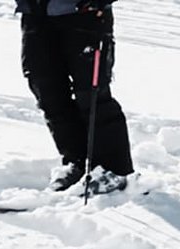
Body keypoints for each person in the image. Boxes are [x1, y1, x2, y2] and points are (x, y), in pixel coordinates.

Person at [16, 0, 134, 194]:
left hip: (85, 12)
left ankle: (115, 171)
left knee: (92, 94)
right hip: (35, 13)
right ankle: (76, 163)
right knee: (46, 89)